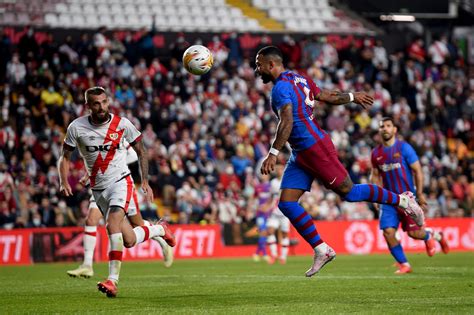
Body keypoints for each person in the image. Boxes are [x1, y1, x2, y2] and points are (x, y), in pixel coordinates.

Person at [255, 46, 425, 277]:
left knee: (350, 193)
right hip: (301, 152)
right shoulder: (298, 78)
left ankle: (403, 201)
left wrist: (273, 152)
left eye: (259, 64)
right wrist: (353, 97)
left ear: (271, 64)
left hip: (315, 148)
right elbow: (325, 95)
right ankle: (321, 249)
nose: (257, 69)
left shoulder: (280, 88)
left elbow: (287, 120)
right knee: (286, 203)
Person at [58, 86, 175, 298]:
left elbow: (141, 151)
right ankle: (159, 230)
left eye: (104, 102)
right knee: (129, 239)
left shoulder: (122, 124)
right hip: (98, 189)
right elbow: (65, 156)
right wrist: (63, 180)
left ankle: (112, 281)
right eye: (96, 103)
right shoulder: (77, 127)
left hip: (122, 182)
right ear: (88, 106)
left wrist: (145, 181)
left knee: (112, 224)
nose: (101, 107)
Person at [66, 146, 174, 279]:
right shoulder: (91, 134)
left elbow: (134, 155)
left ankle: (160, 236)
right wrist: (91, 173)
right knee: (91, 220)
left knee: (137, 225)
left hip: (121, 184)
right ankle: (87, 265)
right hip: (100, 186)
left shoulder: (117, 132)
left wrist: (114, 167)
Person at [370, 117, 449, 274]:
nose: (384, 129)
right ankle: (404, 264)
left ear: (394, 129)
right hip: (388, 200)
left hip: (407, 199)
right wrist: (375, 196)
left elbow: (418, 170)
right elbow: (375, 175)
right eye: (382, 127)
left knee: (414, 234)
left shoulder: (404, 148)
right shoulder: (376, 153)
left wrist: (419, 193)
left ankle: (432, 236)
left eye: (388, 126)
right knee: (388, 232)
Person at [266, 164, 291, 265]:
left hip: (285, 213)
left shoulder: (287, 181)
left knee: (285, 235)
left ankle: (283, 256)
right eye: (277, 169)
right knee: (270, 231)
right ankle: (274, 254)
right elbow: (272, 196)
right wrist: (267, 206)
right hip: (274, 212)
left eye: (281, 169)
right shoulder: (273, 183)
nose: (279, 171)